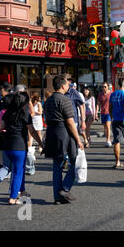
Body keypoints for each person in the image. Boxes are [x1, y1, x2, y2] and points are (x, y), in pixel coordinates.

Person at [44, 74, 85, 205]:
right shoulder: (65, 99)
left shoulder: (49, 100)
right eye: (68, 84)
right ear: (62, 86)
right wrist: (78, 139)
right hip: (65, 133)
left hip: (52, 132)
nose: (69, 86)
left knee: (57, 165)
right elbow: (70, 122)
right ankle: (65, 188)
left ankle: (57, 196)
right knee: (75, 161)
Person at [0, 92, 43, 205]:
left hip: (7, 145)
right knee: (18, 172)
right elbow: (32, 131)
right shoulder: (25, 113)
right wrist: (40, 143)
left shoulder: (8, 112)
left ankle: (22, 191)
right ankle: (13, 197)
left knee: (21, 169)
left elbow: (1, 126)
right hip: (19, 146)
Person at [96, 82, 112, 148]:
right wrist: (96, 112)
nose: (104, 88)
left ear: (108, 87)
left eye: (105, 86)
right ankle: (107, 139)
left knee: (108, 126)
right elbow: (98, 103)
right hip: (103, 112)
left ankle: (108, 140)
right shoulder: (100, 94)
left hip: (109, 112)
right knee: (105, 127)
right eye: (103, 87)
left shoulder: (111, 93)